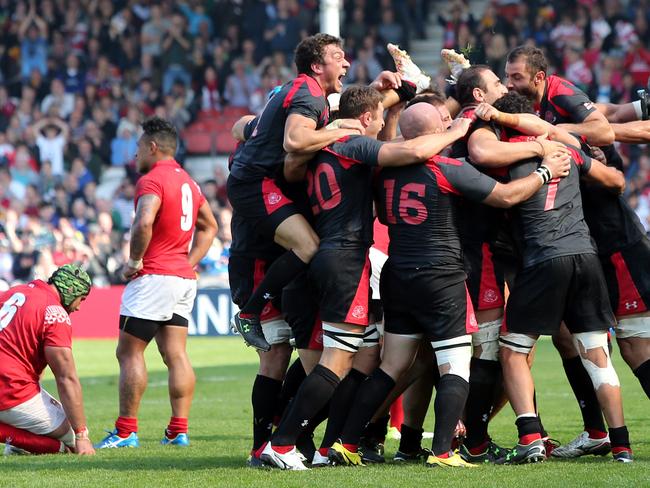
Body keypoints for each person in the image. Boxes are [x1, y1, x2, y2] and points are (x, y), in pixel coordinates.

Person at [328, 102, 571, 469]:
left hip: (399, 272)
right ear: (433, 131)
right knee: (455, 364)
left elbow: (380, 211)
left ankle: (346, 442)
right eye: (444, 121)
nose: (451, 124)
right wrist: (543, 172)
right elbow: (505, 196)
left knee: (392, 364)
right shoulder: (447, 168)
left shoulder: (383, 171)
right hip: (440, 276)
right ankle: (443, 451)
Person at [260, 85, 473, 470]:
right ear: (365, 119)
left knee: (367, 357)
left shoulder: (321, 148)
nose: (378, 128)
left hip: (332, 254)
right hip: (345, 257)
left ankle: (333, 445)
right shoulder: (353, 143)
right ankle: (283, 442)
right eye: (377, 118)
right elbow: (409, 150)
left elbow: (291, 161)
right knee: (338, 360)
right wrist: (458, 129)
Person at [505, 46, 649, 458]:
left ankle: (613, 438)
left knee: (635, 343)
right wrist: (633, 109)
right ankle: (599, 433)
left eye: (516, 77)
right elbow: (609, 114)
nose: (511, 82)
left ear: (538, 77)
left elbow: (603, 133)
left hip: (614, 238)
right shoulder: (542, 115)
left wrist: (552, 132)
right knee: (570, 339)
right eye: (507, 76)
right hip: (580, 243)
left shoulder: (559, 97)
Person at [227, 34, 404, 352]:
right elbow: (294, 141)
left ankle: (255, 310)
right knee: (308, 246)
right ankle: (250, 312)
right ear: (316, 65)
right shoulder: (308, 95)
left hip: (256, 183)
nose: (347, 62)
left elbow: (246, 127)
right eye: (338, 56)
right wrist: (332, 131)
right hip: (256, 184)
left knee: (307, 248)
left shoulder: (302, 94)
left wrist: (381, 92)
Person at [486, 92, 633, 464]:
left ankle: (530, 436)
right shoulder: (563, 147)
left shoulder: (506, 158)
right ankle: (621, 445)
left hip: (542, 260)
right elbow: (615, 180)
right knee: (596, 354)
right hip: (585, 256)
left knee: (513, 350)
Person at [95, 117, 217, 449]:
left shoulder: (152, 180)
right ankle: (178, 430)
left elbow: (143, 223)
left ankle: (125, 431)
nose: (135, 156)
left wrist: (133, 262)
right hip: (181, 279)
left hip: (153, 278)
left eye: (137, 148)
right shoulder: (189, 181)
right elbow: (210, 227)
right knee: (175, 354)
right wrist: (189, 263)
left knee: (129, 351)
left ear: (153, 147)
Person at [0, 264, 94, 455]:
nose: (79, 307)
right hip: (10, 388)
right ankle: (24, 443)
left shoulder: (14, 291)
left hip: (9, 383)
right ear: (70, 290)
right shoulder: (55, 312)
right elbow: (66, 378)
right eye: (81, 299)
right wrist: (82, 435)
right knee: (72, 440)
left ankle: (19, 445)